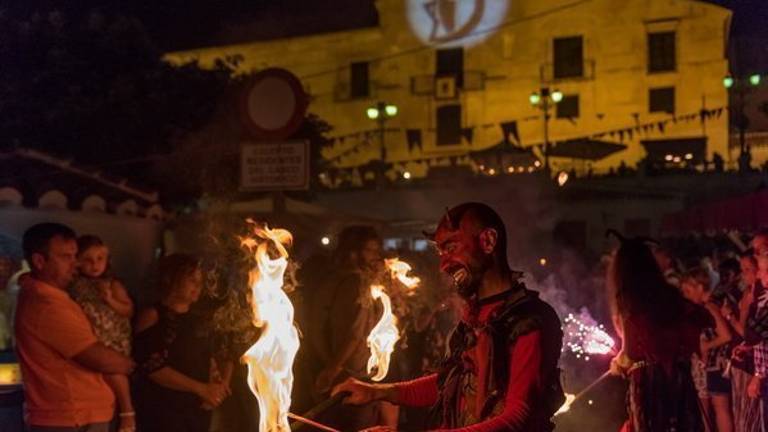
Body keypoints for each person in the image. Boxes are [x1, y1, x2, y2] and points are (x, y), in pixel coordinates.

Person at [333, 202, 565, 431]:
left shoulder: (528, 321)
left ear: (488, 241)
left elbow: (517, 418)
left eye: (451, 248)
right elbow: (450, 382)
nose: (443, 265)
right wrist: (377, 391)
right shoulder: (474, 317)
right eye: (440, 252)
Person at [14, 223, 134, 432]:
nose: (75, 264)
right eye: (65, 257)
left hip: (75, 414)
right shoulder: (47, 305)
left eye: (74, 255)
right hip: (71, 417)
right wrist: (128, 364)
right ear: (39, 261)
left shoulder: (52, 294)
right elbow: (98, 358)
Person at [608, 232, 709, 432]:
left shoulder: (629, 299)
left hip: (650, 381)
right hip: (678, 376)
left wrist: (619, 363)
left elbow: (632, 353)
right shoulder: (668, 294)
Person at [132, 253, 229, 432]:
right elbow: (152, 366)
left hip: (195, 412)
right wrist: (201, 389)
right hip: (162, 412)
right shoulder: (153, 316)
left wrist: (217, 386)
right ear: (171, 279)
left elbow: (215, 356)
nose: (198, 285)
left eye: (200, 280)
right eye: (192, 279)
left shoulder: (200, 320)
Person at [310, 225, 388, 431]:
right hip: (350, 373)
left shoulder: (334, 279)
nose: (375, 256)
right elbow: (354, 332)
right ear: (353, 251)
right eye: (370, 250)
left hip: (336, 368)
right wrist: (333, 367)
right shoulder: (355, 282)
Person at [69, 235, 135, 432]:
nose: (95, 265)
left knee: (112, 369)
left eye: (100, 259)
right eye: (88, 260)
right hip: (91, 335)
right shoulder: (74, 284)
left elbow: (129, 310)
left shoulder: (112, 284)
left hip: (112, 336)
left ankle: (127, 411)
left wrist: (110, 300)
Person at [680, 268, 733, 432]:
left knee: (720, 409)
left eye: (688, 291)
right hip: (714, 363)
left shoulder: (710, 306)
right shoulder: (710, 305)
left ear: (700, 288)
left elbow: (725, 335)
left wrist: (704, 346)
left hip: (717, 363)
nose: (685, 296)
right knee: (717, 409)